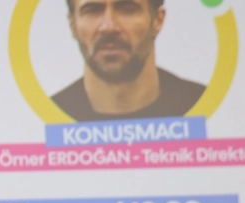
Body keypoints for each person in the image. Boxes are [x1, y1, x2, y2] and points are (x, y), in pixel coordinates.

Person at [50, 0, 206, 121]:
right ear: (73, 25)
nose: (109, 27)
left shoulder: (201, 104)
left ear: (157, 21)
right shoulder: (51, 117)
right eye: (92, 10)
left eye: (127, 9)